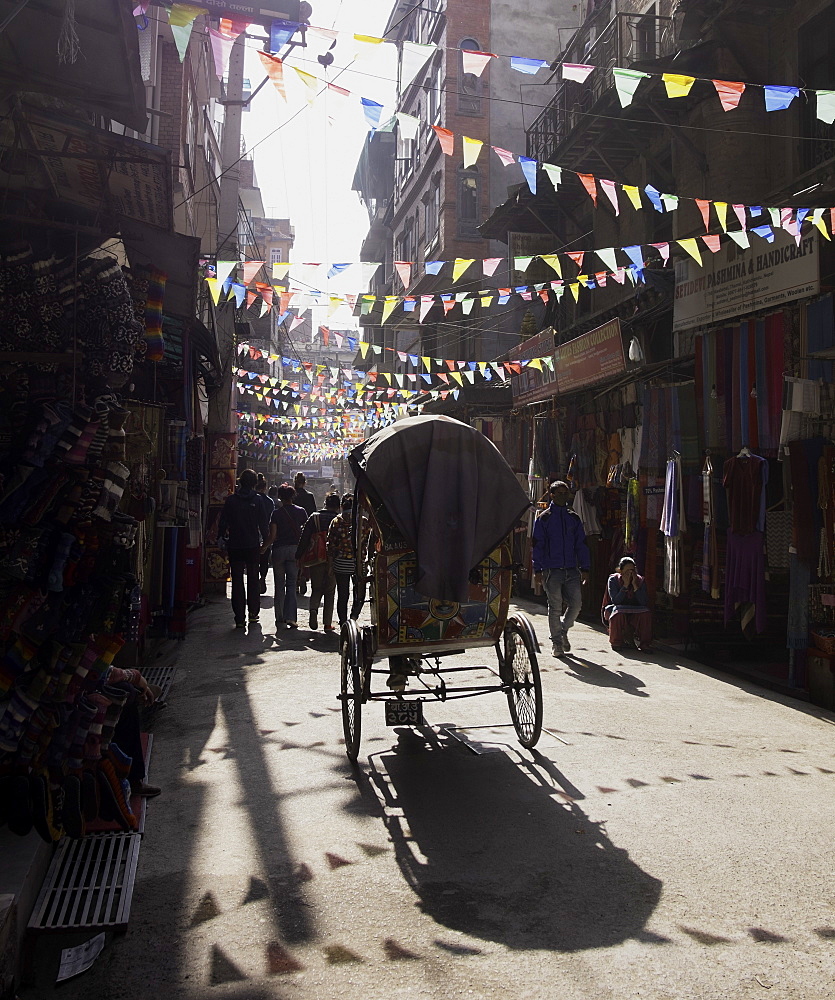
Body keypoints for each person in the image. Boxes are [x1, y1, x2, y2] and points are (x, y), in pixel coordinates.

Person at [532, 480, 590, 657]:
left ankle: (563, 631)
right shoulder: (544, 518)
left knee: (576, 604)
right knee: (555, 607)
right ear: (552, 495)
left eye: (566, 493)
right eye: (560, 493)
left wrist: (585, 567)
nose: (564, 497)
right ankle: (557, 643)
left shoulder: (574, 518)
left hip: (572, 569)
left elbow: (581, 544)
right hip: (552, 570)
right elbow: (537, 545)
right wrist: (537, 570)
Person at [218, 468, 270, 628]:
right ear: (255, 483)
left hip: (235, 545)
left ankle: (239, 618)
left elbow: (223, 522)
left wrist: (220, 537)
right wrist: (266, 543)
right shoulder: (259, 500)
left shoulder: (231, 500)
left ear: (240, 482)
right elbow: (263, 524)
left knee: (237, 581)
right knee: (253, 579)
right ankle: (253, 613)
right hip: (252, 545)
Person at [261, 483, 307, 628]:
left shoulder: (276, 513)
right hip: (295, 550)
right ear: (293, 496)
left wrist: (263, 548)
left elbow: (273, 536)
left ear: (280, 497)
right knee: (292, 584)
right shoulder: (301, 512)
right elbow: (306, 533)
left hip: (279, 551)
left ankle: (279, 617)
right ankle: (291, 618)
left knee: (279, 585)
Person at [296, 491, 340, 631]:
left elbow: (304, 538)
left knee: (316, 588)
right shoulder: (339, 520)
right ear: (338, 506)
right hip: (334, 559)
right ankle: (327, 623)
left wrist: (299, 556)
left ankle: (313, 610)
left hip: (316, 558)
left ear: (325, 503)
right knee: (330, 590)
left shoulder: (314, 518)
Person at [326, 493, 371, 624]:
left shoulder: (336, 521)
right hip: (358, 562)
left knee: (343, 594)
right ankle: (354, 616)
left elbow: (330, 544)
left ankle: (343, 621)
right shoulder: (364, 521)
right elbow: (368, 541)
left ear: (341, 506)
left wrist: (330, 565)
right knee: (359, 593)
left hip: (340, 563)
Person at [604, 556, 652, 650]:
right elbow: (616, 601)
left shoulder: (640, 580)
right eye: (627, 571)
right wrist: (625, 585)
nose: (630, 573)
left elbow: (643, 602)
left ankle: (645, 644)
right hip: (617, 608)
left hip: (636, 609)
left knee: (646, 613)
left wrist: (635, 585)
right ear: (621, 571)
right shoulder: (613, 580)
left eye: (632, 571)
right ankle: (616, 642)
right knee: (617, 613)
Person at [293, 474, 316, 596]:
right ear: (305, 482)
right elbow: (313, 514)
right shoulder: (309, 496)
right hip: (306, 530)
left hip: (292, 531)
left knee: (294, 557)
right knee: (304, 555)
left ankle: (295, 581)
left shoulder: (291, 495)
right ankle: (303, 575)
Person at [255, 474, 275, 594]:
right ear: (265, 488)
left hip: (252, 534)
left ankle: (255, 579)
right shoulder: (269, 501)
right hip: (266, 534)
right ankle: (262, 577)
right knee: (264, 559)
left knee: (253, 560)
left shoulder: (252, 499)